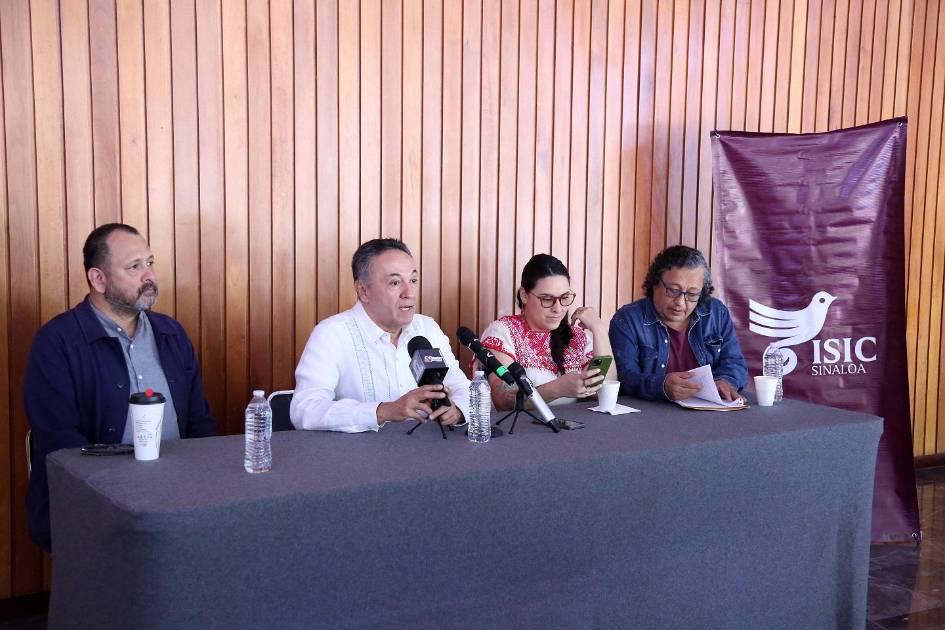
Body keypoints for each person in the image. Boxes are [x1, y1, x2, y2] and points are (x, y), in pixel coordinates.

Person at [24, 223, 217, 552]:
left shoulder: (171, 334)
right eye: (134, 267)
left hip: (178, 497)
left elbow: (200, 424)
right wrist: (129, 493)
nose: (149, 275)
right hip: (98, 506)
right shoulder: (57, 342)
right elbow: (61, 442)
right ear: (98, 279)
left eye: (150, 262)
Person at [291, 238, 468, 431]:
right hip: (357, 449)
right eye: (395, 282)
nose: (409, 293)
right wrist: (384, 411)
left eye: (413, 281)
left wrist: (457, 410)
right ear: (363, 291)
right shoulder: (331, 334)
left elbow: (462, 387)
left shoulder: (426, 329)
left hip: (425, 446)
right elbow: (305, 409)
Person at [609, 245, 747, 402]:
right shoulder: (627, 320)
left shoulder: (716, 313)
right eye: (673, 290)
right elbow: (625, 378)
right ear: (655, 283)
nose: (680, 302)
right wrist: (662, 386)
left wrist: (726, 381)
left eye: (692, 294)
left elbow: (735, 362)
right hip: (650, 412)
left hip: (710, 409)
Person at [479, 254, 615, 410]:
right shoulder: (503, 332)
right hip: (521, 424)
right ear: (524, 295)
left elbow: (607, 389)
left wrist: (599, 329)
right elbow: (503, 400)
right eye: (547, 299)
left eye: (565, 297)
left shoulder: (578, 337)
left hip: (574, 423)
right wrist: (557, 389)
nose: (558, 308)